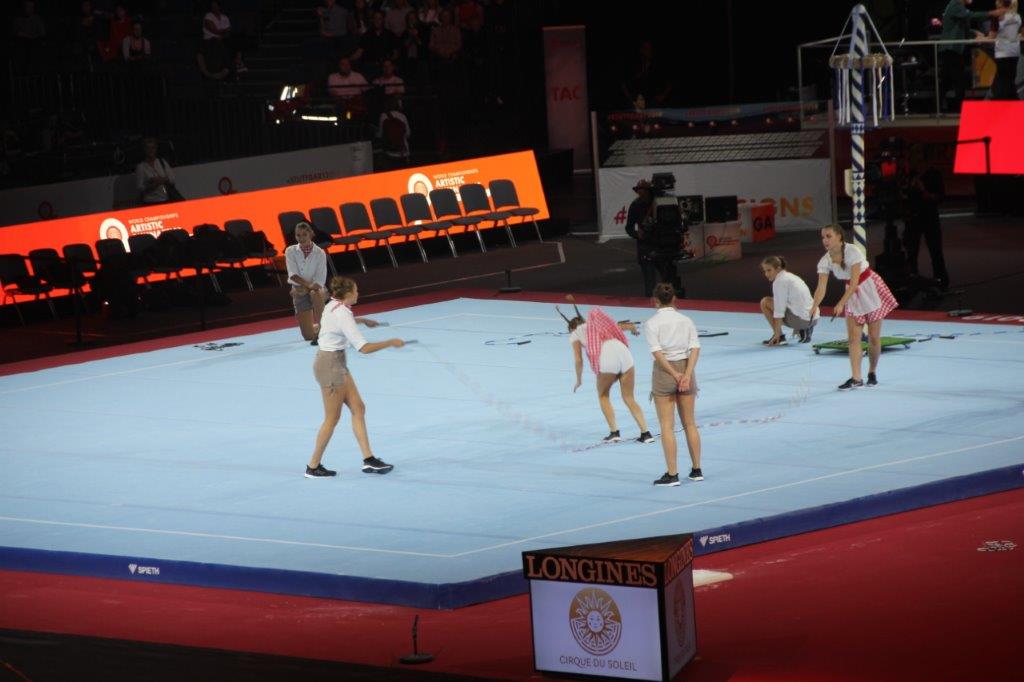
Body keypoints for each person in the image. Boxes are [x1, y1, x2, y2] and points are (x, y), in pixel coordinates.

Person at [306, 276, 406, 478]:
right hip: (331, 367)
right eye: (356, 290)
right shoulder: (342, 312)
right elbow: (364, 348)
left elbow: (337, 322)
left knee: (358, 408)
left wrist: (362, 321)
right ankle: (313, 466)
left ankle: (369, 460)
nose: (358, 293)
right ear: (348, 293)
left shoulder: (333, 304)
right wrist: (391, 342)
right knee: (332, 419)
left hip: (335, 363)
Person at [811, 225, 899, 390]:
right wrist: (813, 306)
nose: (825, 240)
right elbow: (821, 288)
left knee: (874, 337)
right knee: (853, 339)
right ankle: (856, 378)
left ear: (839, 237)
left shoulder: (852, 251)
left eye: (828, 236)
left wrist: (840, 303)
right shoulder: (825, 260)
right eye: (823, 237)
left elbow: (854, 283)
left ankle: (872, 372)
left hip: (869, 288)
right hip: (851, 296)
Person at [561, 300, 654, 445]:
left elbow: (578, 360)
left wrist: (579, 379)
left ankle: (614, 432)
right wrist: (632, 329)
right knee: (629, 397)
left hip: (606, 357)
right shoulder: (598, 324)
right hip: (624, 353)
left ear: (572, 328)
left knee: (603, 395)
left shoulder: (575, 334)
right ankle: (646, 433)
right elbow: (622, 326)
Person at [643, 283, 702, 487]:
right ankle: (697, 469)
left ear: (655, 300)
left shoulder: (652, 323)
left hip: (665, 371)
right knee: (690, 423)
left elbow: (657, 353)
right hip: (686, 367)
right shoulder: (686, 320)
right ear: (674, 299)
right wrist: (686, 374)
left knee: (667, 426)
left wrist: (674, 374)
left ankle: (672, 473)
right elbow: (695, 348)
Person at [939, 0, 1007, 112]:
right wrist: (991, 13)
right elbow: (971, 15)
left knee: (947, 80)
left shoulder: (959, 8)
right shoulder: (956, 4)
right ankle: (960, 109)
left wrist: (973, 33)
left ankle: (942, 105)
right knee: (957, 80)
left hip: (954, 49)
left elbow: (961, 27)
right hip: (951, 49)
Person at [903, 147, 949, 288]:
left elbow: (940, 197)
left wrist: (924, 191)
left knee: (935, 251)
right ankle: (912, 281)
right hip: (913, 217)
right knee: (911, 253)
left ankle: (942, 282)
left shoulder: (933, 174)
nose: (913, 161)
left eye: (916, 157)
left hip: (930, 217)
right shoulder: (909, 175)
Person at [759, 256, 819, 345]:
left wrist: (777, 334)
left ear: (778, 268)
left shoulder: (780, 281)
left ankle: (780, 336)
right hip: (814, 318)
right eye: (765, 271)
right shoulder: (792, 277)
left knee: (765, 302)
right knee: (791, 305)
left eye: (769, 270)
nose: (766, 274)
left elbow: (779, 311)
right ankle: (805, 329)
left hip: (802, 321)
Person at [286, 222, 328, 344]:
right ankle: (325, 327)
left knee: (316, 293)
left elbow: (320, 279)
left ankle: (324, 332)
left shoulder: (320, 252)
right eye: (298, 235)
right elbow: (293, 275)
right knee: (308, 336)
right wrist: (306, 287)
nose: (301, 238)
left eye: (304, 234)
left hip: (316, 289)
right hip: (299, 290)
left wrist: (308, 288)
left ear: (311, 234)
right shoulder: (290, 251)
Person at [624, 179, 657, 297]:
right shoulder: (635, 205)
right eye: (638, 190)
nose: (639, 192)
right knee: (649, 278)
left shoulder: (659, 203)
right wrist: (637, 234)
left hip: (661, 242)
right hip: (645, 244)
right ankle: (650, 300)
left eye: (642, 190)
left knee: (666, 276)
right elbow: (629, 227)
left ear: (648, 191)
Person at [984, 0, 1021, 100]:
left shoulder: (998, 17)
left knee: (1002, 81)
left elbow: (992, 36)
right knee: (1010, 80)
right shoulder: (1018, 16)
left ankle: (1000, 102)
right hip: (1014, 53)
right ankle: (1014, 103)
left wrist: (981, 38)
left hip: (1003, 53)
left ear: (999, 3)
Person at [135, 138, 178, 205]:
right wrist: (153, 185)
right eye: (148, 148)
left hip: (165, 200)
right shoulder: (141, 167)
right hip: (150, 202)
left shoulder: (162, 162)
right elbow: (140, 188)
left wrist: (160, 180)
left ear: (156, 149)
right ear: (144, 150)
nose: (151, 150)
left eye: (153, 148)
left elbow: (172, 179)